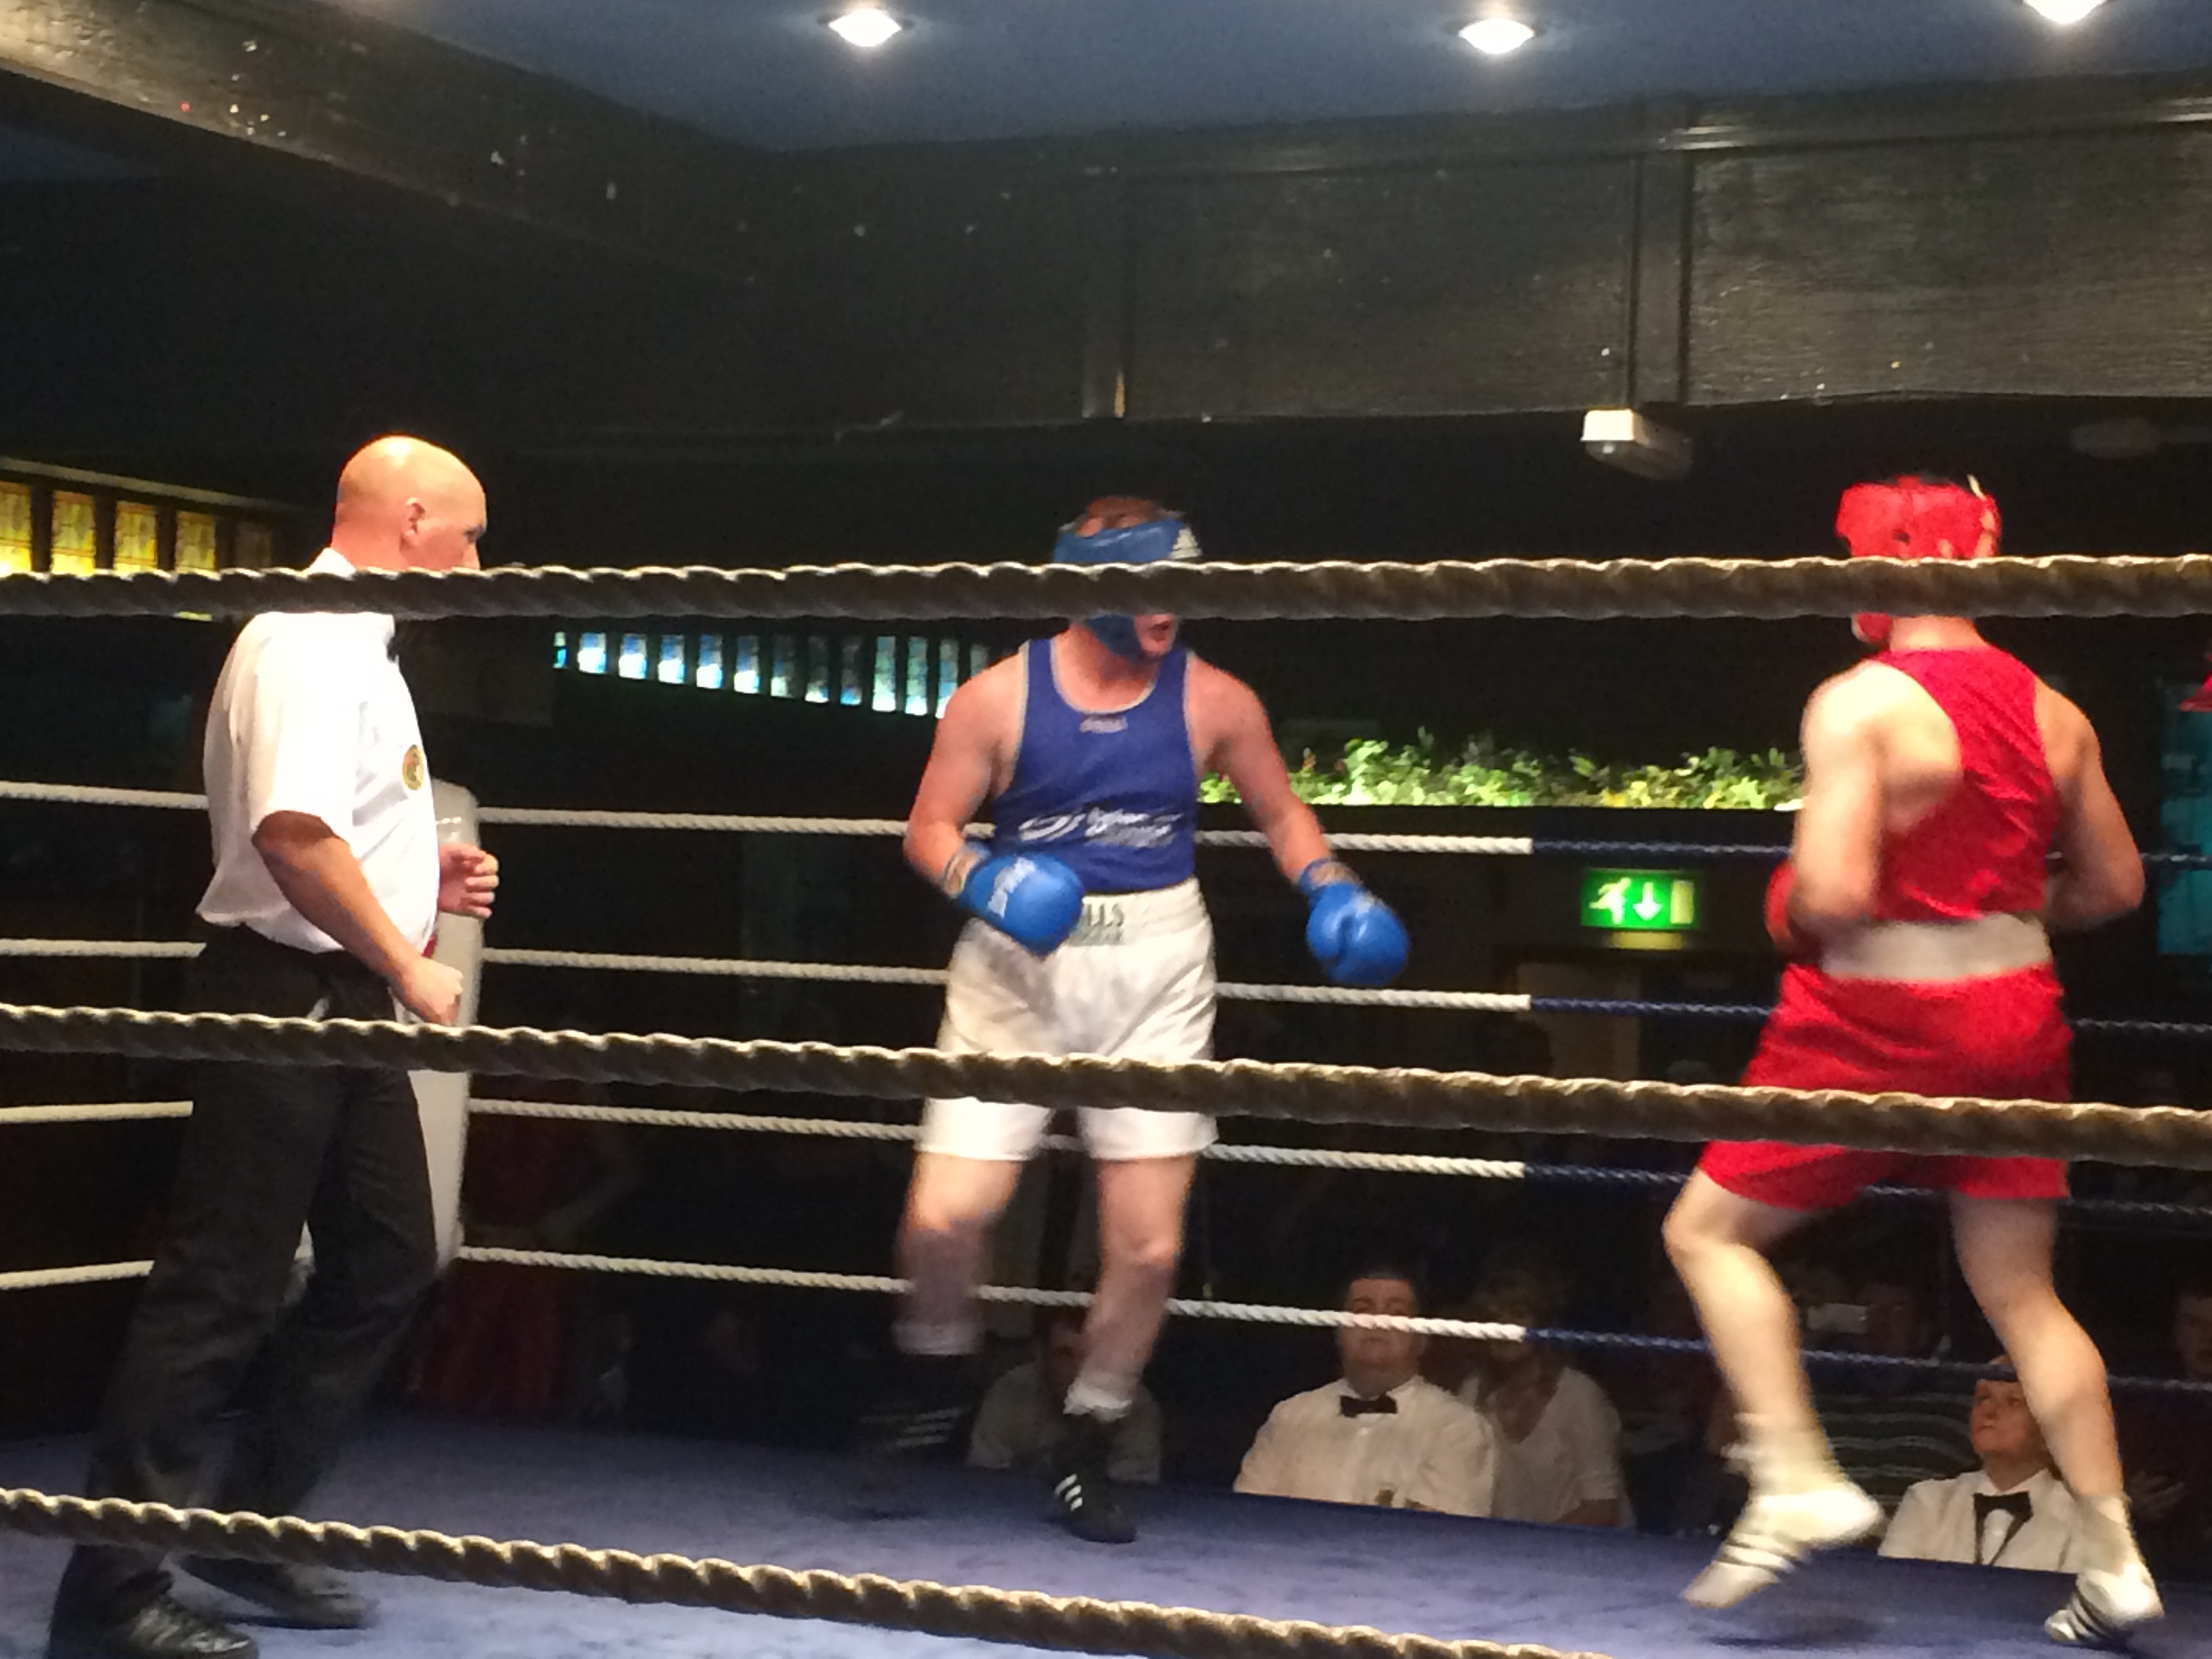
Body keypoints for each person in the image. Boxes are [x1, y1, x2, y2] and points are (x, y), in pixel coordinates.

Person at [1659, 476, 2161, 1643]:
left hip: (1876, 1019)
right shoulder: (2055, 711)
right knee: (2021, 1293)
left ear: (1878, 567)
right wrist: (1992, 911)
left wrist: (1789, 906)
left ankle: (1794, 1473)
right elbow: (2115, 887)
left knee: (1705, 1232)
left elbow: (1833, 894)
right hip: (2016, 1013)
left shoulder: (1860, 702)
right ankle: (2113, 1559)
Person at [49, 436, 499, 1659]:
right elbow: (291, 839)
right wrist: (408, 959)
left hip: (336, 994)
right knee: (222, 1286)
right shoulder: (310, 638)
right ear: (412, 521)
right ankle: (107, 1592)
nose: (477, 563)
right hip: (285, 993)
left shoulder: (363, 646)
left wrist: (415, 878)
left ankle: (246, 1526)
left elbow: (328, 830)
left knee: (391, 1256)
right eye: (467, 536)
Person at [888, 497, 1409, 1544]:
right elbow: (929, 829)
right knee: (945, 1220)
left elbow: (1280, 813)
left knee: (1150, 1247)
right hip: (1017, 967)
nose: (1170, 606)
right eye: (1148, 586)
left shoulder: (1216, 698)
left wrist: (1330, 886)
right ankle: (935, 1375)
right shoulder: (997, 699)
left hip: (1158, 964)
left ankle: (1087, 1443)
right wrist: (986, 880)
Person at [1235, 1266, 1496, 1516]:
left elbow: (1438, 1535)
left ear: (1422, 1338)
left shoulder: (1457, 1428)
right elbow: (1248, 1516)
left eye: (1396, 1313)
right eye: (1362, 1310)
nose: (1377, 1321)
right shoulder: (1290, 1416)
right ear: (1339, 1330)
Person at [1454, 1271, 1629, 1528]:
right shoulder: (1472, 1394)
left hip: (1582, 1546)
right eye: (1494, 1319)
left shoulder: (1578, 1395)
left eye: (1518, 1315)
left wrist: (1533, 1545)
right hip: (1499, 1546)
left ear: (1541, 1323)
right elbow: (1458, 1487)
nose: (1506, 1329)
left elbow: (1602, 1507)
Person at [1881, 1368, 2085, 1572]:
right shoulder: (1928, 1499)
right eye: (1983, 1398)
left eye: (2014, 1401)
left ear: (2051, 1428)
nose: (1990, 1412)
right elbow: (1892, 1583)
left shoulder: (2083, 1516)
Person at [1812, 1269, 1975, 1515]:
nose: (1880, 1320)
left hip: (1922, 1537)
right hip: (1834, 1538)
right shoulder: (1819, 1407)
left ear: (1921, 1331)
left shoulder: (1956, 1408)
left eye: (1899, 1311)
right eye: (1867, 1307)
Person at [968, 1307, 1164, 1485]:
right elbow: (985, 1479)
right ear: (1041, 1356)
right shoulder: (1012, 1393)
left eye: (1091, 1356)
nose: (1079, 1369)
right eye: (1065, 1355)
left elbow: (1133, 1488)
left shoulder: (1134, 1404)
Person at [2115, 1273, 2212, 1581]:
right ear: (2176, 1332)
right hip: (2157, 1563)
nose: (2208, 1337)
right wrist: (2126, 1501)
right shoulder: (2140, 1401)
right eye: (2194, 1324)